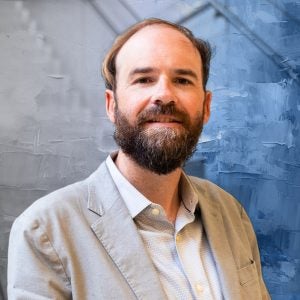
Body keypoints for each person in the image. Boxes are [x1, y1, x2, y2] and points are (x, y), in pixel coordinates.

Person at [7, 18, 270, 300]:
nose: (164, 95)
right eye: (143, 79)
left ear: (206, 106)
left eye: (182, 80)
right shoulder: (45, 231)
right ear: (112, 105)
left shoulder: (232, 214)